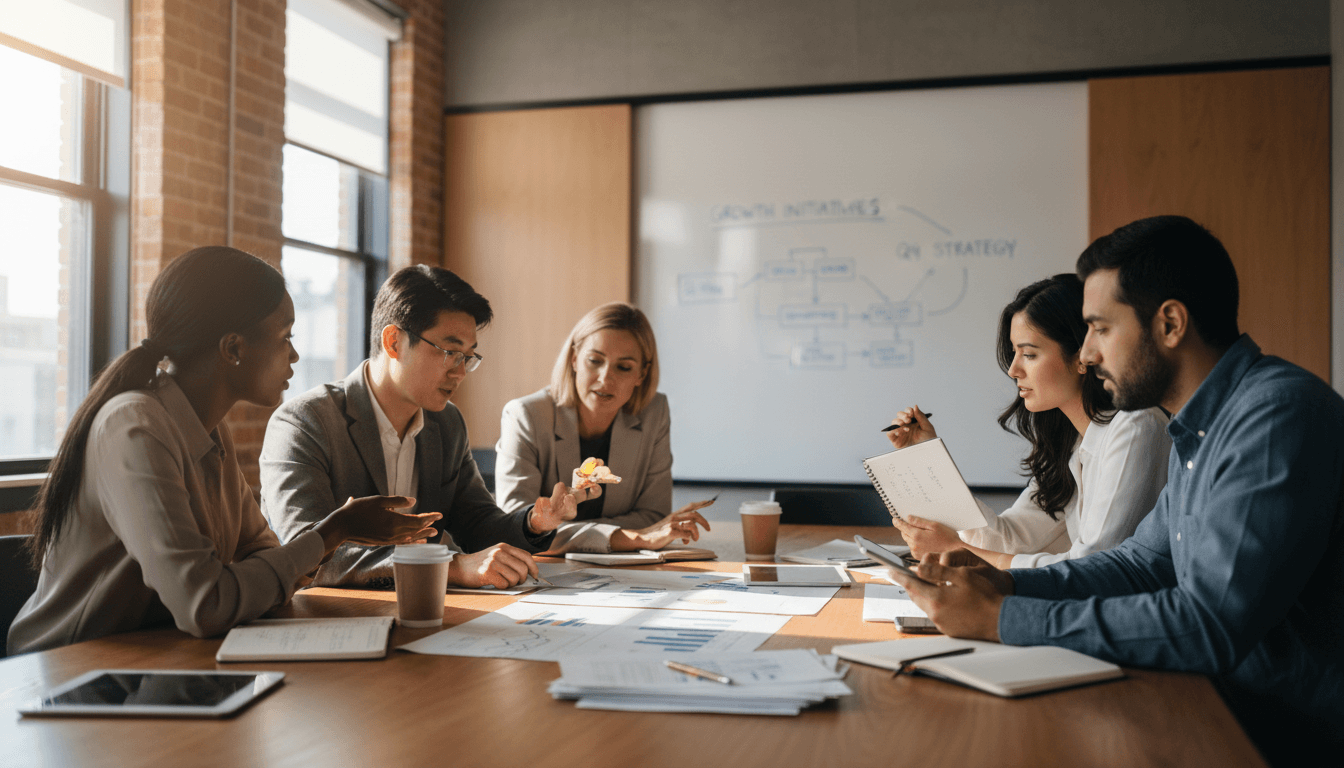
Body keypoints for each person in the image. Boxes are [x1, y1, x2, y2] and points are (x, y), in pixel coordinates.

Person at [884, 216, 1344, 765]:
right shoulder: (1202, 425)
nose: (1088, 354)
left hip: (1282, 736)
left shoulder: (1272, 416)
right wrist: (1003, 585)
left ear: (1170, 323)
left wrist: (1001, 619)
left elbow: (1209, 624)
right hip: (1221, 708)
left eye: (1100, 328)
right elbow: (1141, 565)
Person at [8, 247, 439, 655]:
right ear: (233, 348)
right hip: (65, 672)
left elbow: (262, 554)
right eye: (284, 337)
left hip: (155, 657)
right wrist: (333, 532)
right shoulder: (135, 426)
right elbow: (206, 604)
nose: (294, 354)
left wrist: (267, 572)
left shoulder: (210, 430)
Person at [261, 265, 585, 589]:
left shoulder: (446, 423)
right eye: (450, 352)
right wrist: (448, 566)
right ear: (393, 342)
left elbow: (477, 524)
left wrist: (534, 522)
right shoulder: (303, 423)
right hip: (318, 616)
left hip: (419, 612)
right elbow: (304, 549)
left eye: (468, 357)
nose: (460, 372)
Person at [886, 274, 1170, 568]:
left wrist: (961, 551)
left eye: (1030, 354)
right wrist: (924, 456)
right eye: (1013, 353)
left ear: (1081, 355)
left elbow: (1091, 567)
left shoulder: (1135, 428)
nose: (1013, 370)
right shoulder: (1073, 441)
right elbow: (1007, 539)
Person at [495, 303, 712, 554]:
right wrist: (630, 538)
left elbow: (654, 516)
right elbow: (516, 525)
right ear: (575, 359)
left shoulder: (654, 412)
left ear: (642, 374)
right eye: (594, 361)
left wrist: (566, 532)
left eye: (624, 367)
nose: (605, 378)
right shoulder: (525, 415)